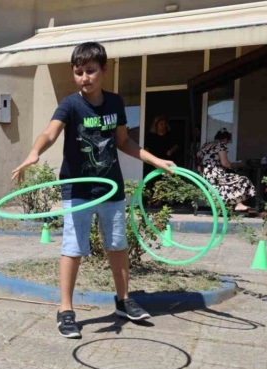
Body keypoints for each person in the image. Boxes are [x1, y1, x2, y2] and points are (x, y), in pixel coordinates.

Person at [11, 42, 176, 339]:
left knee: (117, 246)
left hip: (110, 188)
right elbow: (50, 131)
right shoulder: (70, 104)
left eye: (90, 71)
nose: (84, 77)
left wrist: (155, 160)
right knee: (73, 249)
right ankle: (65, 310)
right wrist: (35, 151)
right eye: (78, 72)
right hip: (78, 190)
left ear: (103, 70)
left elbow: (124, 142)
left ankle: (123, 301)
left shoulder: (115, 103)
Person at [197, 129, 255, 212]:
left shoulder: (207, 145)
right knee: (243, 180)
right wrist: (234, 165)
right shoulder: (220, 145)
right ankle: (238, 204)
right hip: (215, 174)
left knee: (229, 181)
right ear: (225, 139)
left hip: (205, 174)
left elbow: (198, 154)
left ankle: (233, 204)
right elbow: (225, 163)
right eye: (227, 141)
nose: (226, 144)